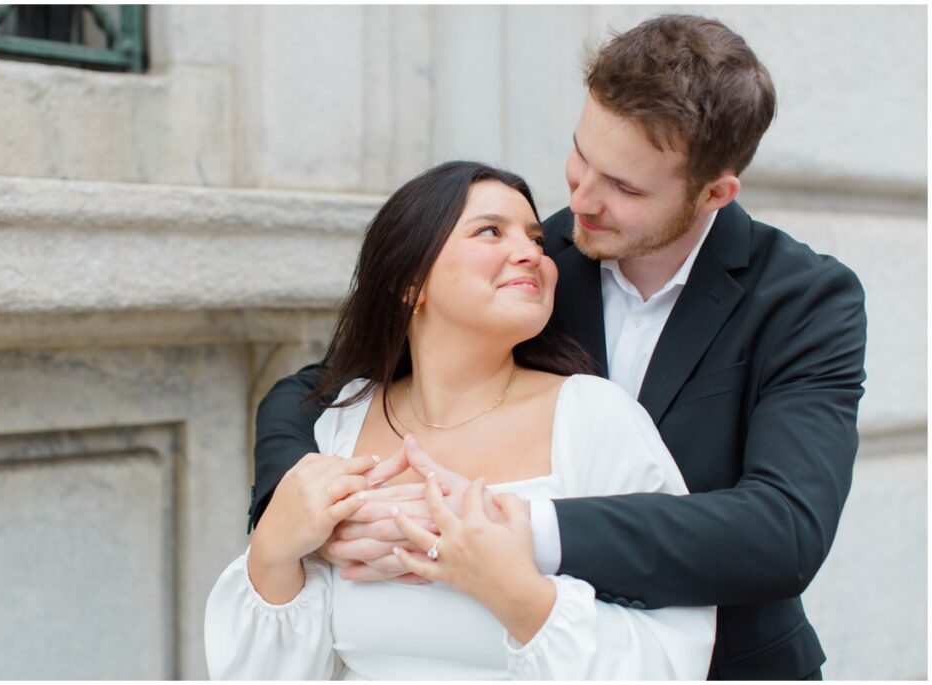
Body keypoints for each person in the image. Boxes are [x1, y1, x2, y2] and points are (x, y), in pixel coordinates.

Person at [247, 14, 867, 681]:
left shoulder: (805, 298)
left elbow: (784, 529)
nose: (582, 198)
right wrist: (297, 501)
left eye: (625, 187)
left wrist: (521, 529)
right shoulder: (534, 268)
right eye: (581, 155)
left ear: (715, 192)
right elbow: (314, 387)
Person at [205, 161, 716, 679]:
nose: (532, 254)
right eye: (491, 231)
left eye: (537, 241)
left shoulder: (593, 416)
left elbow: (672, 652)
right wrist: (272, 547)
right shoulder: (342, 421)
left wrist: (506, 585)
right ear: (410, 282)